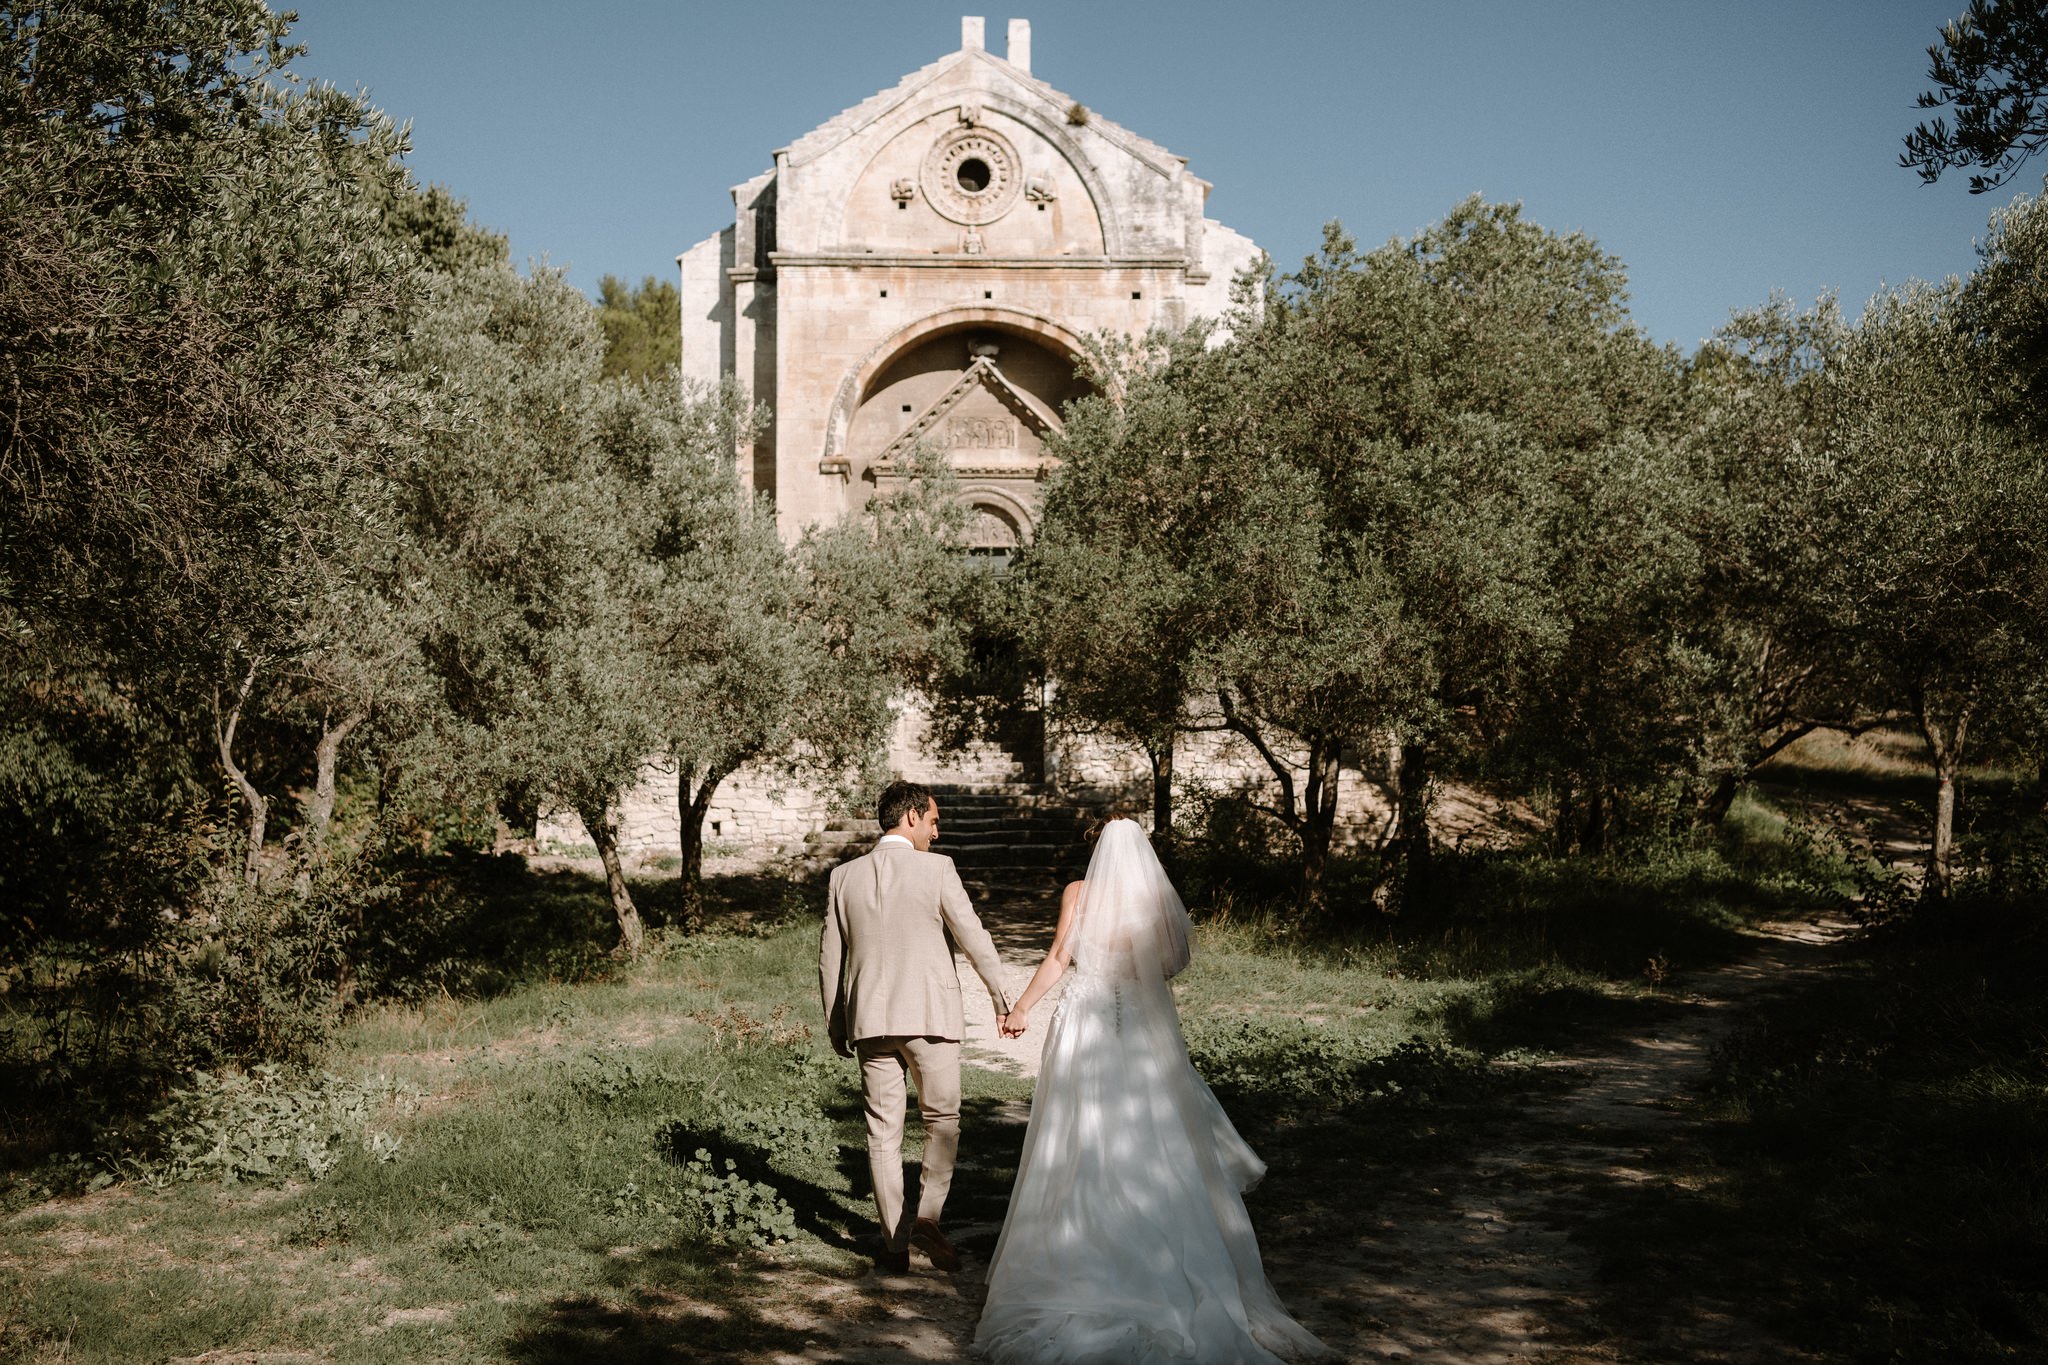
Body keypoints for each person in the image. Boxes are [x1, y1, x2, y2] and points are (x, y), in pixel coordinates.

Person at [973, 817, 1330, 1363]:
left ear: (1095, 851)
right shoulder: (1154, 898)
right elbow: (1175, 962)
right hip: (1138, 1027)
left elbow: (1058, 958)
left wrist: (1021, 1007)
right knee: (1151, 1134)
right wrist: (1136, 968)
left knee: (1077, 1136)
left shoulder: (1078, 892)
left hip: (1084, 1024)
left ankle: (1080, 1249)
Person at [820, 778, 1014, 1274]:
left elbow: (829, 959)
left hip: (870, 1023)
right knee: (941, 1120)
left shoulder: (844, 876)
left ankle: (893, 1245)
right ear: (910, 817)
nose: (936, 833)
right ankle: (927, 1218)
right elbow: (972, 934)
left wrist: (836, 1022)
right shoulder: (937, 869)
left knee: (882, 1134)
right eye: (933, 822)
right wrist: (1001, 997)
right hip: (931, 1017)